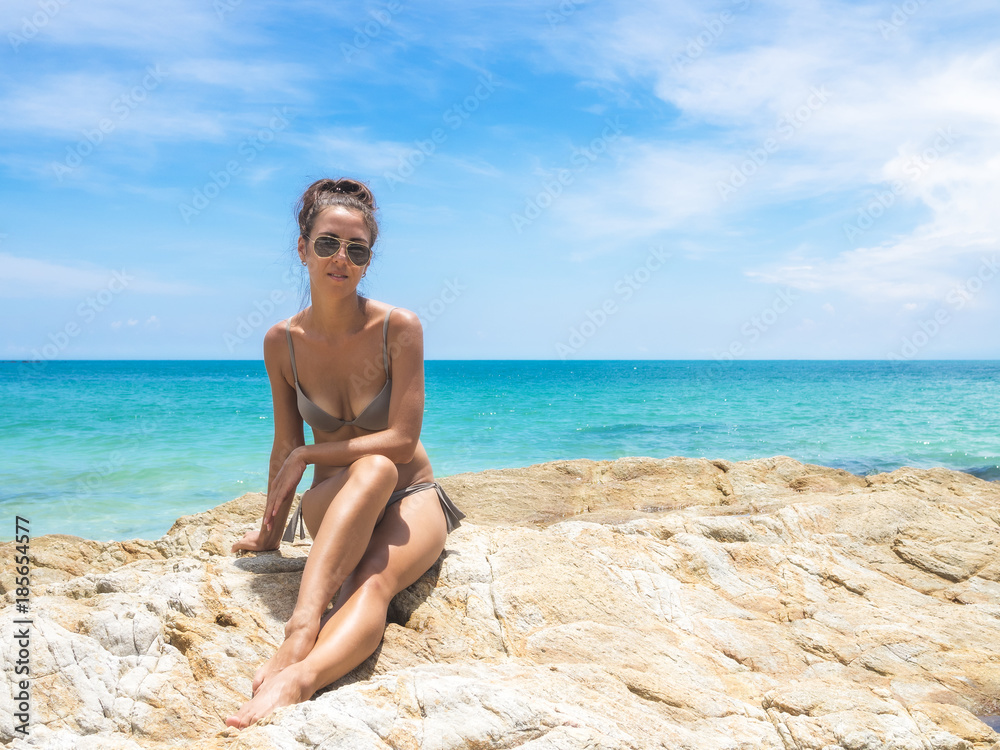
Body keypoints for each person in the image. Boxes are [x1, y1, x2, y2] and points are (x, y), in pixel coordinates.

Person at [225, 178, 464, 729]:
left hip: (412, 496)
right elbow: (285, 443)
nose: (341, 259)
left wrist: (313, 454)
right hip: (334, 504)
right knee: (368, 470)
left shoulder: (397, 327)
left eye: (357, 250)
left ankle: (298, 673)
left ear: (367, 261)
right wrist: (269, 533)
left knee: (372, 580)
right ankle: (302, 633)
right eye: (328, 243)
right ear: (303, 247)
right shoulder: (281, 341)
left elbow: (402, 440)